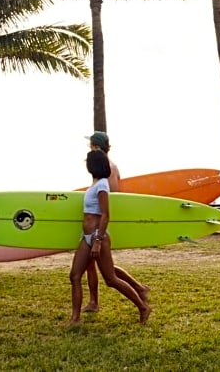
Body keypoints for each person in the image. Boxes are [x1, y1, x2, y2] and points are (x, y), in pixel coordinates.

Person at [69, 149, 150, 325]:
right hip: (86, 237)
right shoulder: (95, 184)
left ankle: (143, 307)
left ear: (94, 165)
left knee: (111, 279)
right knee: (75, 276)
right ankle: (75, 319)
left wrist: (97, 241)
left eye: (88, 162)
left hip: (99, 237)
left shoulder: (102, 185)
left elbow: (105, 215)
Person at [82, 131, 140, 314]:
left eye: (90, 145)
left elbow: (108, 197)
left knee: (105, 270)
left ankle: (139, 295)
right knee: (102, 266)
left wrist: (98, 233)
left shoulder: (104, 167)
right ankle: (138, 290)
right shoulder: (107, 166)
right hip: (101, 221)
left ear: (94, 145)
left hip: (101, 223)